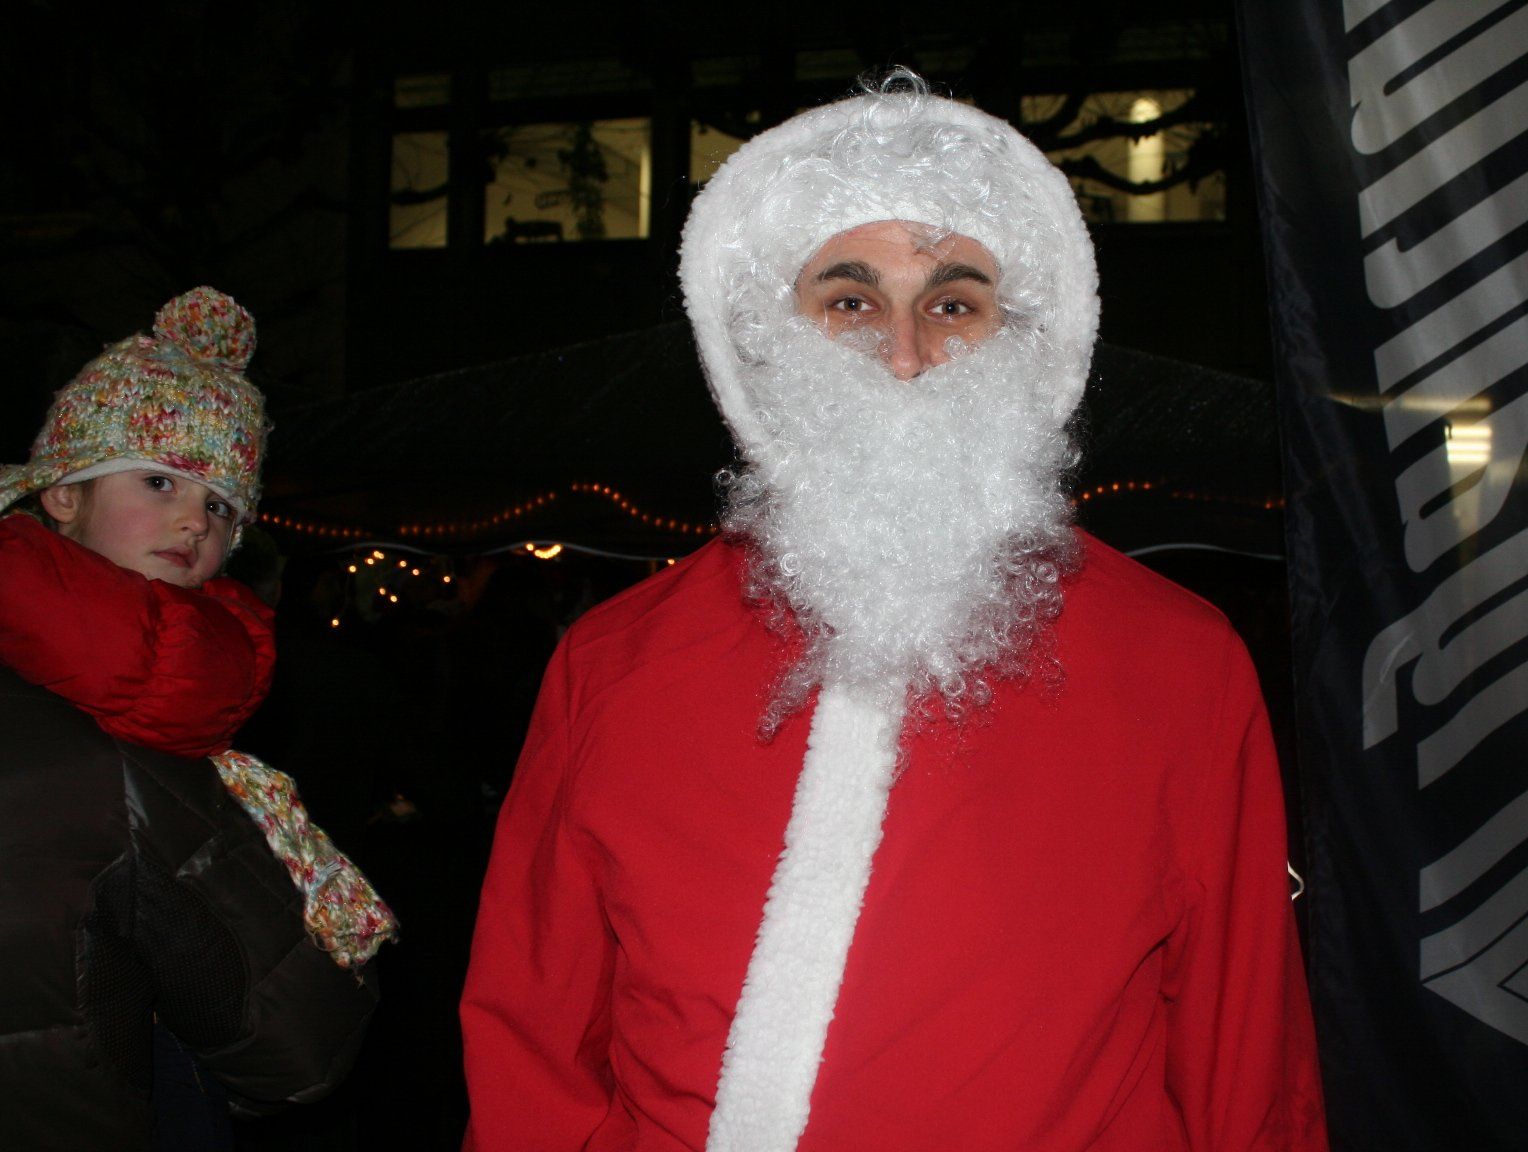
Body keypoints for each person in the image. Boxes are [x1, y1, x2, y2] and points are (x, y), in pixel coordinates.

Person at [461, 74, 1328, 1151]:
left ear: (1026, 339)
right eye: (851, 302)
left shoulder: (1177, 662)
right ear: (765, 342)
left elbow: (1244, 1052)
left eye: (953, 304)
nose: (906, 354)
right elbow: (533, 1042)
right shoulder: (615, 662)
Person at [0, 287, 394, 1149]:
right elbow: (297, 1047)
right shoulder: (119, 739)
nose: (194, 518)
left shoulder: (148, 699)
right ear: (61, 493)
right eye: (159, 480)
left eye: (219, 505)